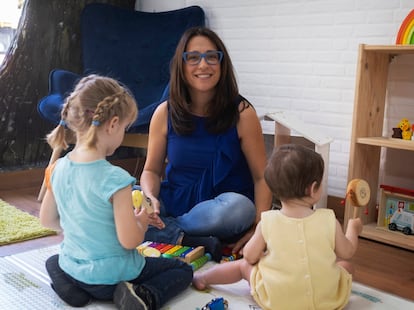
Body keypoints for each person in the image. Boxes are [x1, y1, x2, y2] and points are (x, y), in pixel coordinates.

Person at [39, 75, 193, 309]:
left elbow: (47, 220)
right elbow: (130, 241)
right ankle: (145, 295)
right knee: (182, 269)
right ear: (112, 124)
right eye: (124, 128)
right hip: (112, 277)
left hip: (75, 267)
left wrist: (83, 228)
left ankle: (72, 289)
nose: (122, 134)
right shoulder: (116, 179)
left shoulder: (56, 168)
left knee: (56, 260)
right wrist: (141, 221)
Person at [139, 26, 273, 262]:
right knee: (123, 197)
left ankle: (165, 231)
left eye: (212, 57)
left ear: (222, 64)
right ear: (181, 65)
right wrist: (150, 198)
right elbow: (150, 170)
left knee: (240, 208)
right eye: (193, 57)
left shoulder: (243, 113)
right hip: (173, 201)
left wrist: (259, 229)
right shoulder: (164, 113)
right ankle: (188, 238)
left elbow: (262, 178)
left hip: (221, 210)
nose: (203, 65)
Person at [192, 144, 363, 310]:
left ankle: (203, 278)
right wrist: (353, 229)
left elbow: (250, 257)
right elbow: (347, 252)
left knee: (242, 266)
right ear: (313, 189)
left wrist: (261, 254)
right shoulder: (328, 219)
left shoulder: (268, 221)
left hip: (278, 301)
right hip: (327, 302)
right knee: (346, 267)